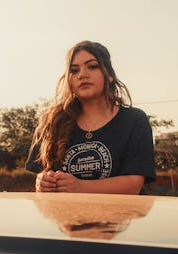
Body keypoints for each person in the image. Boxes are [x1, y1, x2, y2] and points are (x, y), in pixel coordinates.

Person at [25, 40, 156, 194]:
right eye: (74, 70)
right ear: (69, 80)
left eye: (92, 66)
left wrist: (80, 187)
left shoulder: (134, 120)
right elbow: (41, 173)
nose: (82, 75)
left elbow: (134, 184)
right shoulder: (53, 122)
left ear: (110, 75)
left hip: (120, 217)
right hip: (66, 216)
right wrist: (43, 181)